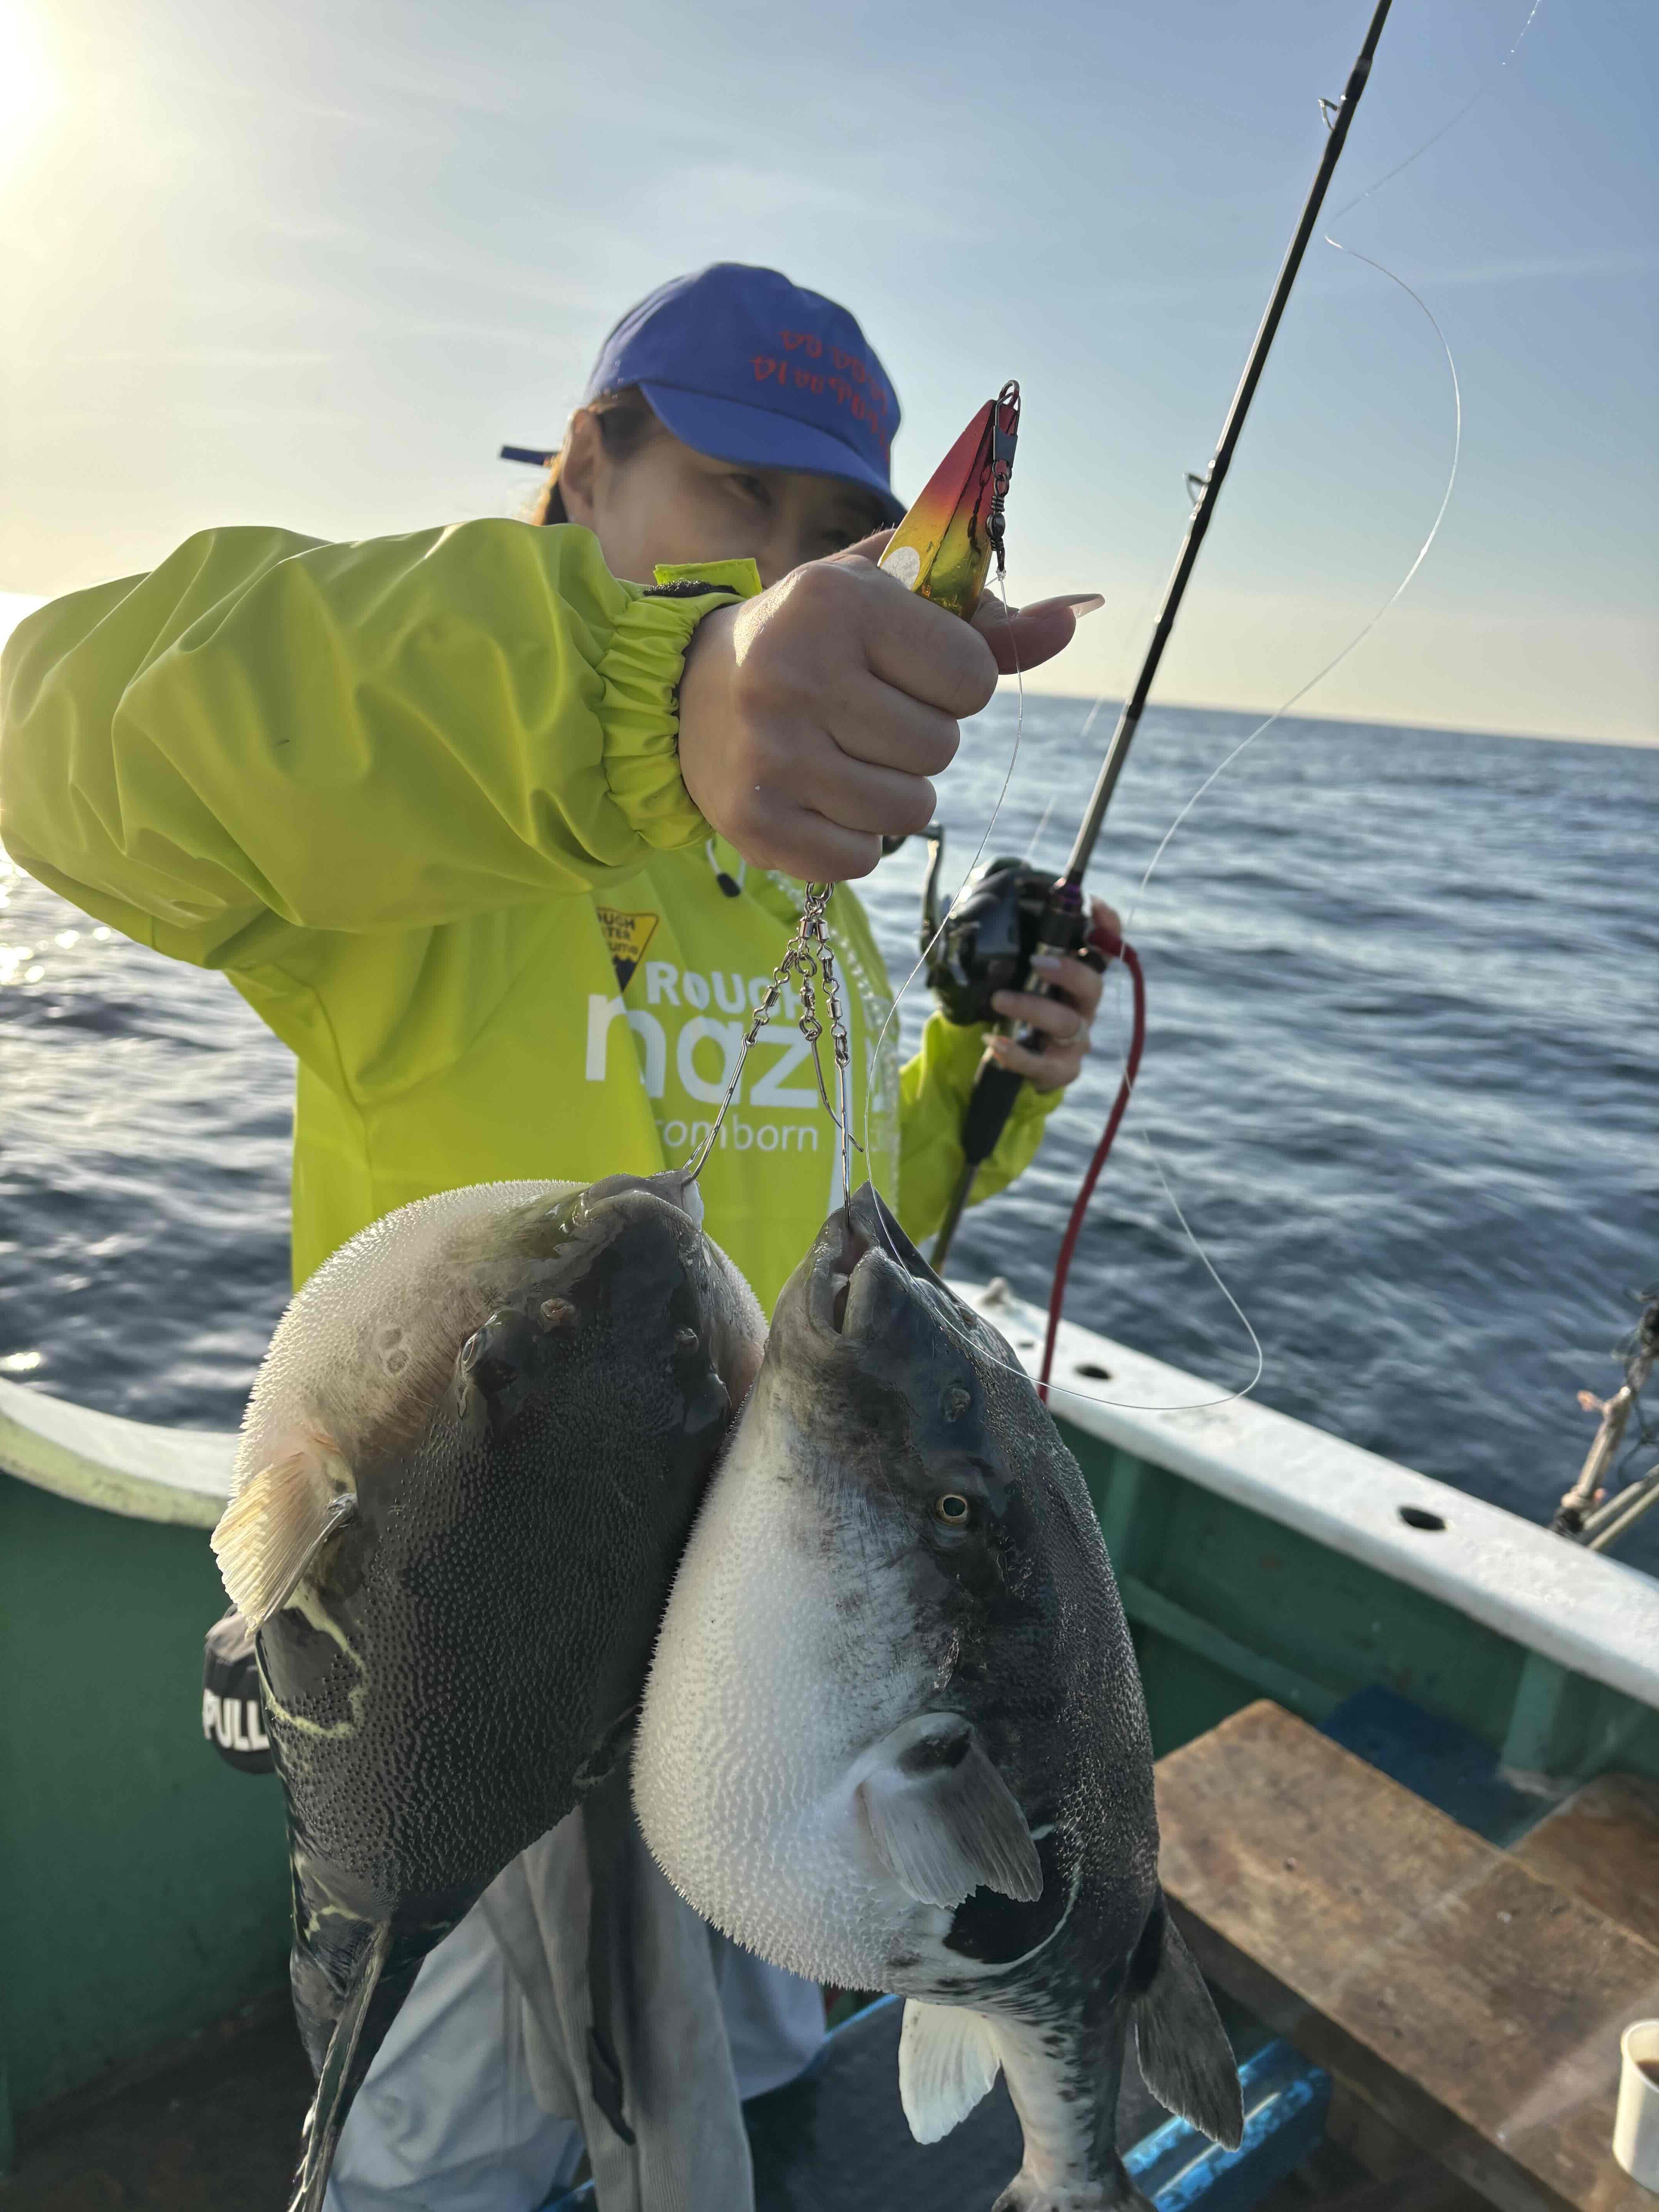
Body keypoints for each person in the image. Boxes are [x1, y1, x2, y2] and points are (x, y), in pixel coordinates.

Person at [0, 262, 1113, 2207]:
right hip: (467, 1644)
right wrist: (645, 701)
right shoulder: (430, 846)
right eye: (731, 497)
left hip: (758, 1676)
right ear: (586, 473)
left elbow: (856, 1233)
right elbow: (57, 738)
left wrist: (981, 1081)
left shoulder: (821, 915)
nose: (778, 565)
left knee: (739, 2091)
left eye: (830, 534)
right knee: (442, 2141)